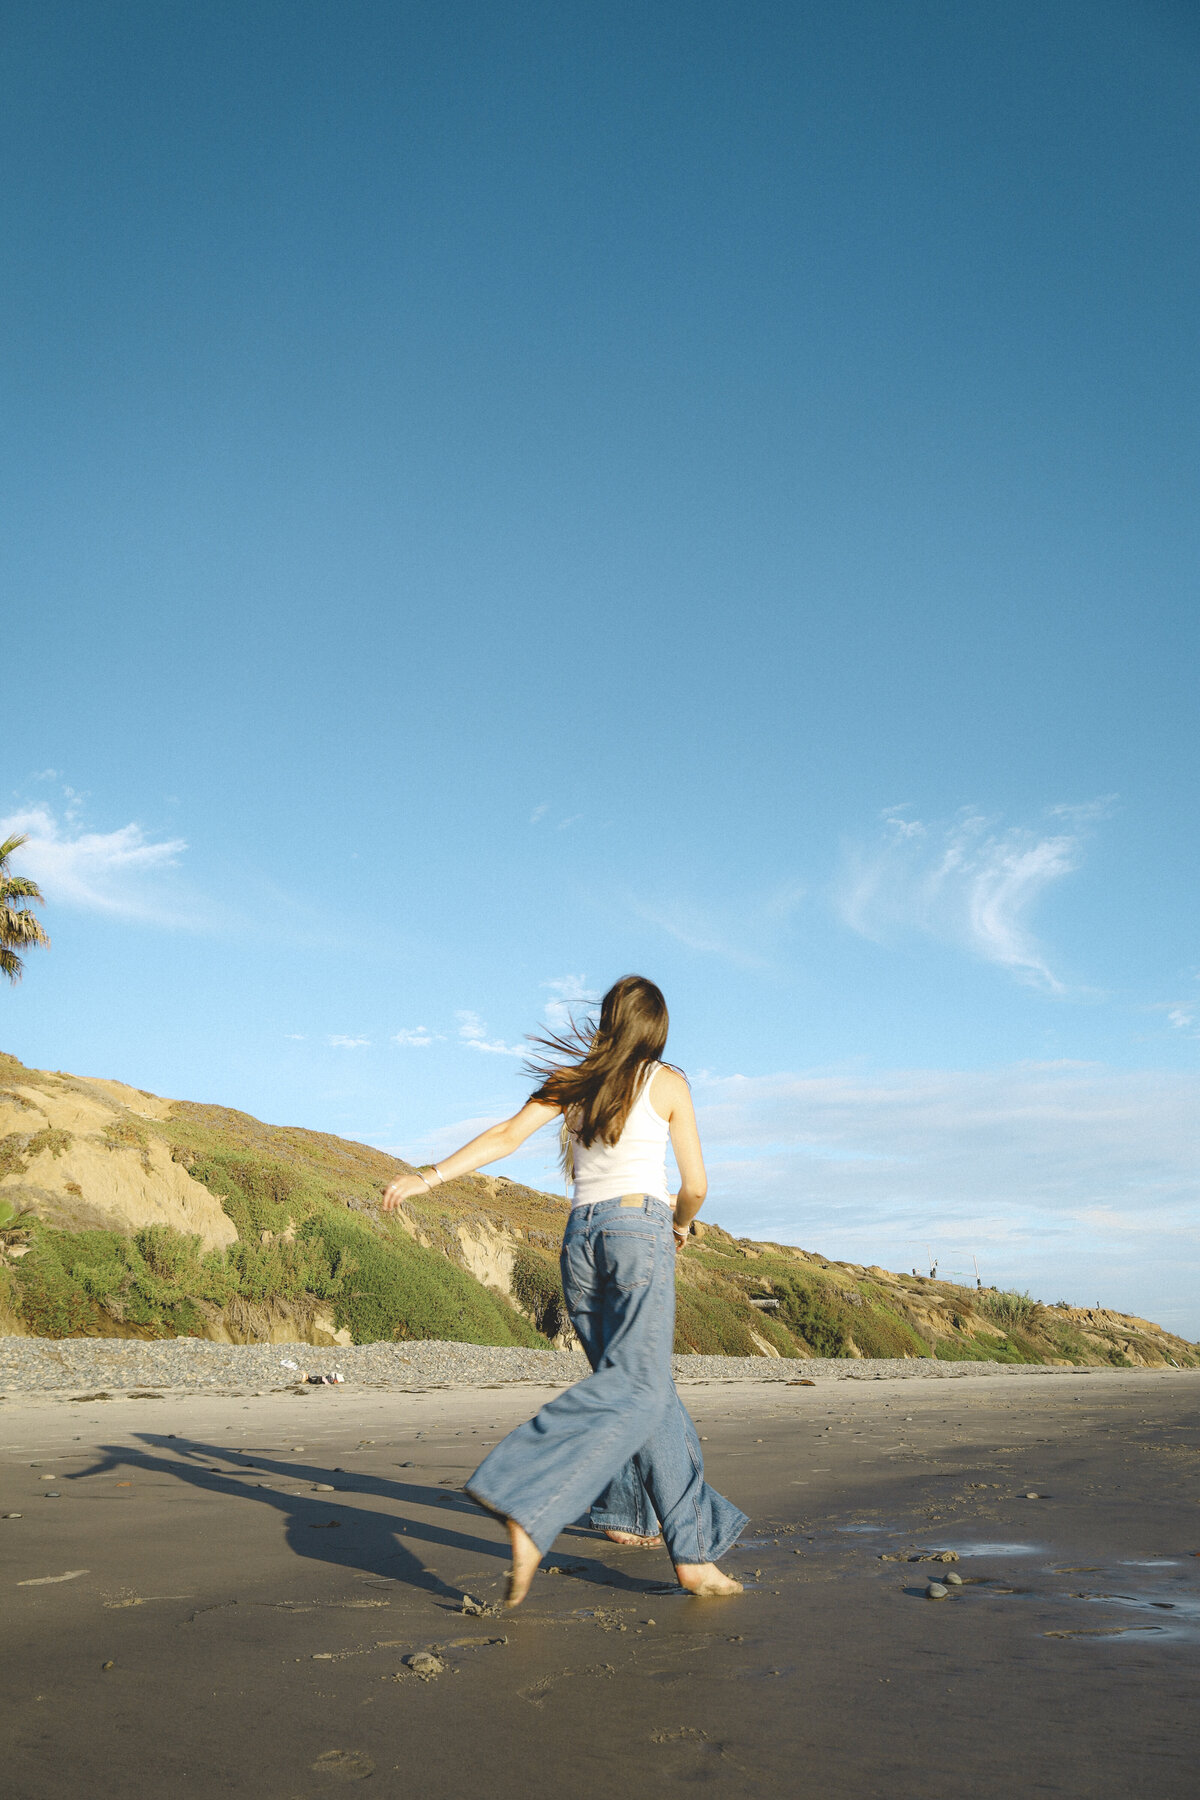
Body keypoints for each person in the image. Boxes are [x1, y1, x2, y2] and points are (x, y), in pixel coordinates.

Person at [381, 974, 747, 1607]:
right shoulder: (666, 1082)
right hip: (639, 1231)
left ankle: (670, 1540)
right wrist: (681, 1225)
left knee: (642, 1389)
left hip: (579, 1239)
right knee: (638, 1388)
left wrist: (429, 1177)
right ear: (657, 1029)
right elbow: (696, 1186)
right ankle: (528, 1499)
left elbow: (504, 1136)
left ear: (609, 1020)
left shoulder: (575, 1082)